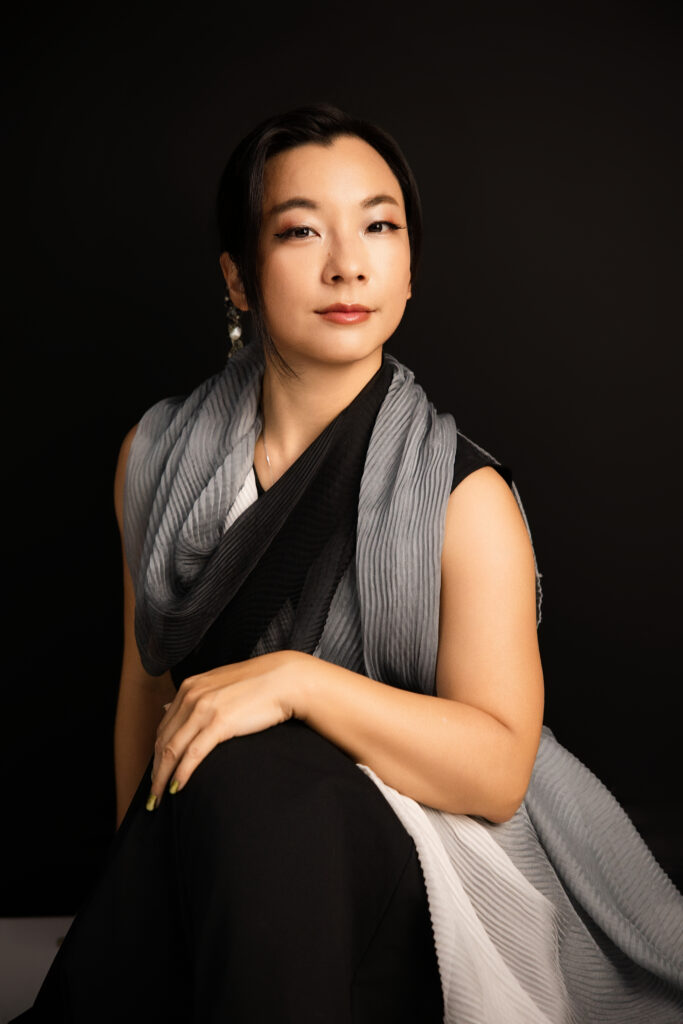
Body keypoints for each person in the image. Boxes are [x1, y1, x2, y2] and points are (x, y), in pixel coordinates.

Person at [15, 103, 682, 1023]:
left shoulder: (462, 494)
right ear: (237, 278)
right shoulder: (156, 454)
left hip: (420, 855)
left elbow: (495, 770)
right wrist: (140, 881)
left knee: (253, 771)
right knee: (227, 777)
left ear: (409, 264)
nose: (348, 264)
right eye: (299, 231)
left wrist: (297, 683)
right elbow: (150, 689)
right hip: (230, 848)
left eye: (379, 225)